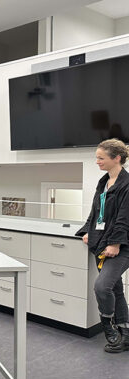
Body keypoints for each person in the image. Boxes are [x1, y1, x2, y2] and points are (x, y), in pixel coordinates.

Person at [76, 138, 129, 353]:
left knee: (102, 286)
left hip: (120, 245)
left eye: (101, 158)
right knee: (115, 288)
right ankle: (125, 333)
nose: (97, 161)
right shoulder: (103, 182)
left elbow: (124, 217)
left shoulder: (127, 184)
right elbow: (95, 211)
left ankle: (109, 329)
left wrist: (115, 243)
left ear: (116, 158)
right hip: (101, 242)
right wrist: (87, 230)